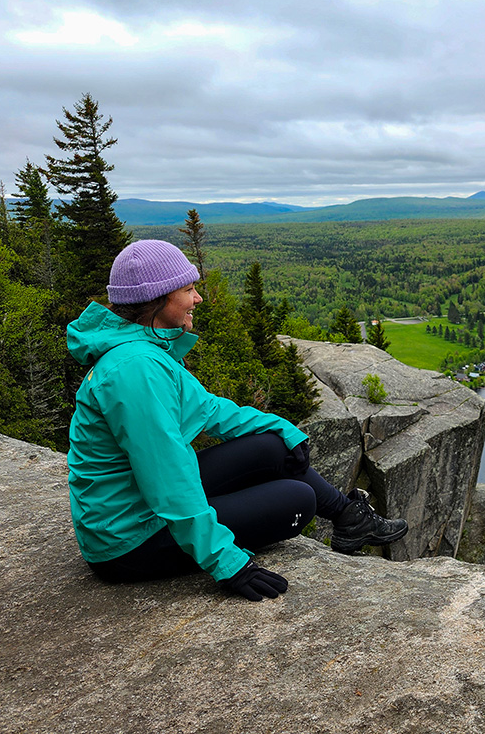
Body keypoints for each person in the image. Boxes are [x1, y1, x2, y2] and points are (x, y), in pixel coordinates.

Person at [66, 239, 408, 601]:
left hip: (138, 505)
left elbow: (211, 410)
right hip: (129, 540)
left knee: (271, 447)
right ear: (158, 299)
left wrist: (282, 428)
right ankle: (345, 517)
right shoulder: (135, 370)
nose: (197, 298)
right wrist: (228, 563)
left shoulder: (144, 352)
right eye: (188, 289)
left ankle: (349, 518)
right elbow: (168, 481)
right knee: (297, 500)